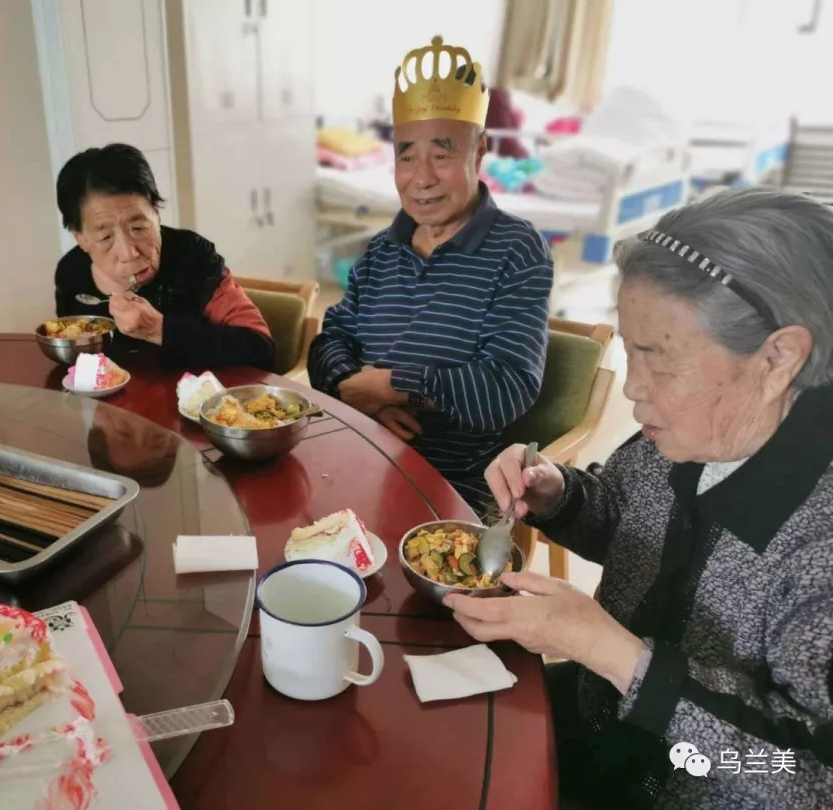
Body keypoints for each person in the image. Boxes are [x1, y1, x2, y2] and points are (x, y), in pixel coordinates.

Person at [448, 187, 833, 809]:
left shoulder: (819, 538)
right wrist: (558, 495)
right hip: (597, 725)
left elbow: (812, 778)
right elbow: (628, 526)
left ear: (778, 357)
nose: (631, 390)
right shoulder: (681, 434)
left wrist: (614, 654)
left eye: (660, 361)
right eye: (629, 352)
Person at [308, 36, 553, 511]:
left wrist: (395, 386)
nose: (421, 178)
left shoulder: (518, 250)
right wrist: (361, 394)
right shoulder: (382, 249)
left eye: (441, 155)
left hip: (453, 486)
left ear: (479, 151)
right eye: (406, 155)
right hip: (359, 451)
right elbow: (328, 342)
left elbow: (507, 389)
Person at [54, 143, 275, 370]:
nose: (129, 253)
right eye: (106, 237)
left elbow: (261, 349)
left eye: (138, 228)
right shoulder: (71, 273)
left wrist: (158, 330)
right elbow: (75, 363)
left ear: (156, 213)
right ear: (81, 238)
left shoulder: (192, 256)